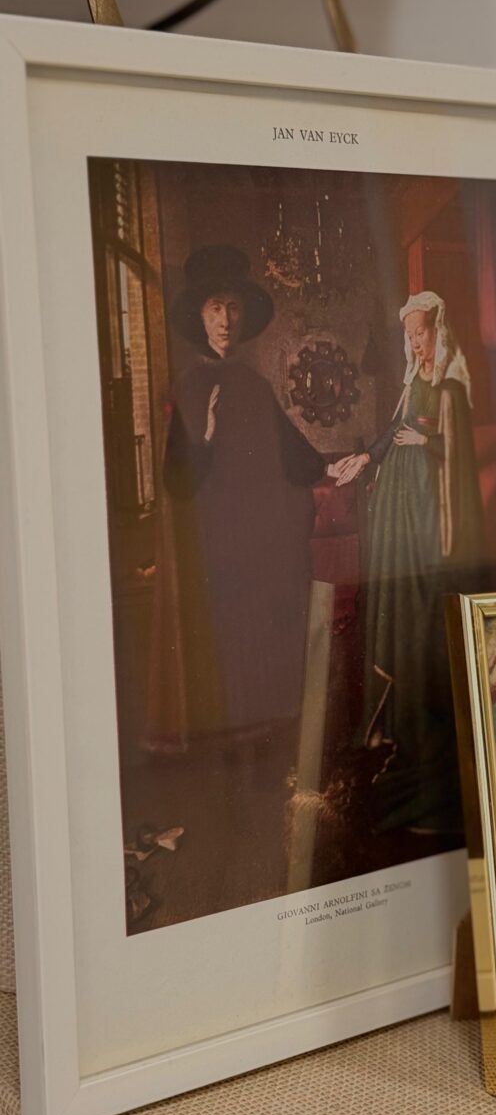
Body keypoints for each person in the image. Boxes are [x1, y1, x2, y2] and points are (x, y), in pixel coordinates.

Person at [154, 244, 329, 745]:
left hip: (257, 549)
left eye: (233, 307)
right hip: (214, 551)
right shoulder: (187, 387)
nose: (226, 320)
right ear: (200, 317)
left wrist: (338, 465)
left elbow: (299, 459)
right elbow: (176, 482)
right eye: (215, 308)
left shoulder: (254, 386)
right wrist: (207, 437)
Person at [334, 291, 486, 832]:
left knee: (422, 609)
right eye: (410, 334)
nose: (416, 341)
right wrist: (365, 457)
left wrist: (425, 440)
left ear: (438, 330)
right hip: (400, 504)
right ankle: (396, 730)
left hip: (428, 507)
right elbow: (390, 429)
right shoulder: (413, 380)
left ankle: (427, 739)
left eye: (422, 331)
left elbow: (458, 449)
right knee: (396, 601)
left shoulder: (450, 384)